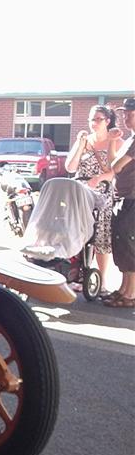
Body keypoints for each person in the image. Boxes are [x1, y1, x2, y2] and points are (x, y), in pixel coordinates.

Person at [64, 105, 123, 295]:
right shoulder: (84, 140)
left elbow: (118, 168)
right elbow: (70, 167)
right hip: (81, 193)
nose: (94, 123)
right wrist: (80, 145)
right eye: (91, 119)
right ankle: (80, 274)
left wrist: (100, 178)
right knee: (80, 235)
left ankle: (102, 280)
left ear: (107, 121)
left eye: (98, 119)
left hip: (103, 193)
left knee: (100, 237)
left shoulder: (116, 141)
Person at [105, 97, 135, 308]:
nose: (127, 117)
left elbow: (116, 167)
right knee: (121, 245)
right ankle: (124, 288)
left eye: (131, 114)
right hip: (122, 198)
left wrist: (115, 162)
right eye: (125, 113)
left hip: (132, 199)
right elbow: (112, 163)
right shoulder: (130, 140)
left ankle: (131, 294)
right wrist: (112, 141)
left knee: (129, 244)